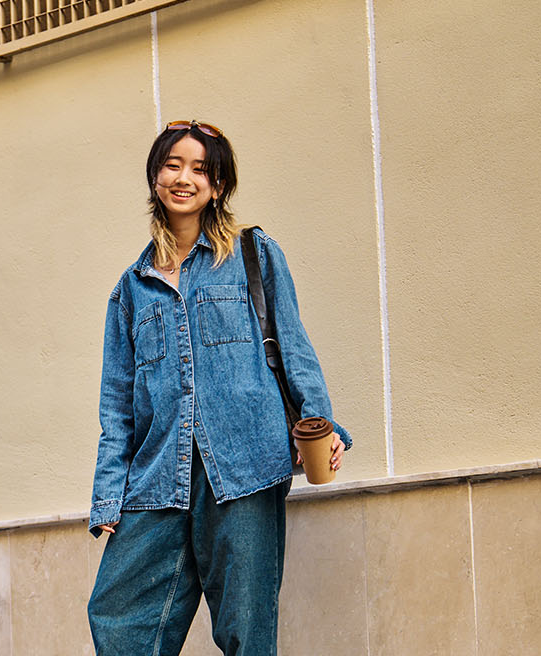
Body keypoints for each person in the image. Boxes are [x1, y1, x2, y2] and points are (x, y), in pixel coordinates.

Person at [86, 120, 350, 655]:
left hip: (246, 464)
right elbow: (117, 407)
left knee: (245, 632)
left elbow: (292, 346)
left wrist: (320, 422)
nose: (185, 178)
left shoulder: (253, 254)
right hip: (157, 478)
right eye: (173, 165)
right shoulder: (130, 290)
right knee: (117, 618)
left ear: (219, 185)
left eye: (201, 169)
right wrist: (110, 495)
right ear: (156, 177)